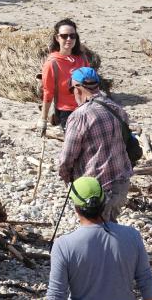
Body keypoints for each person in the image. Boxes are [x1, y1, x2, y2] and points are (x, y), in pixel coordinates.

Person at [46, 176, 152, 300]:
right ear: (104, 202)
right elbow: (147, 285)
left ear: (76, 208)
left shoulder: (63, 246)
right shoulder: (132, 236)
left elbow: (56, 295)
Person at [58, 67, 133, 222]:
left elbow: (66, 158)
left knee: (97, 230)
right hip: (121, 183)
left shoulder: (80, 116)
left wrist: (68, 180)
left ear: (78, 89)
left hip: (94, 189)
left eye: (72, 89)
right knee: (109, 226)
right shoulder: (117, 109)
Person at [39, 19, 91, 133]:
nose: (69, 39)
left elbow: (92, 84)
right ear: (57, 38)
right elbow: (48, 92)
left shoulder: (82, 58)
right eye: (64, 36)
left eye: (72, 36)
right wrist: (43, 119)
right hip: (66, 111)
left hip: (87, 108)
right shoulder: (52, 63)